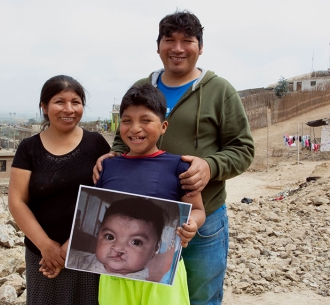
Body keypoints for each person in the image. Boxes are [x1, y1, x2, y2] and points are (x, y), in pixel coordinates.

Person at [94, 10, 255, 305]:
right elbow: (122, 136)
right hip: (138, 222)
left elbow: (243, 148)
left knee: (200, 295)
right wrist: (112, 157)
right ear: (158, 47)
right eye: (170, 40)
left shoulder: (220, 91)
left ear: (200, 47)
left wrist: (210, 166)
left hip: (199, 217)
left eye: (187, 40)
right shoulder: (142, 87)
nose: (177, 48)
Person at [95, 83, 206, 305]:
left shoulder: (180, 167)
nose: (135, 128)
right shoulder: (108, 167)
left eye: (145, 120)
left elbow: (198, 210)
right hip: (114, 278)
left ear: (164, 126)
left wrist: (191, 224)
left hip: (163, 277)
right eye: (127, 121)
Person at [8, 75, 111, 304]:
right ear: (44, 107)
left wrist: (69, 248)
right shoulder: (29, 148)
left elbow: (105, 198)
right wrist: (47, 247)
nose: (69, 109)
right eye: (59, 102)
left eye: (76, 102)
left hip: (88, 252)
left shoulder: (96, 144)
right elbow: (17, 201)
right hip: (43, 256)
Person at [67, 198, 166, 281]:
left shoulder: (144, 284)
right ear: (99, 235)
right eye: (110, 237)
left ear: (154, 250)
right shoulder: (81, 260)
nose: (118, 248)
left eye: (136, 242)